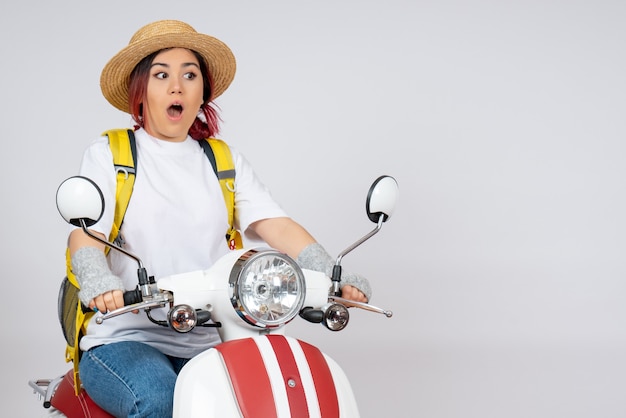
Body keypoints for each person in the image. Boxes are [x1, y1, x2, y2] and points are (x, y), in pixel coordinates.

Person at [68, 19, 372, 417]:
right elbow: (85, 234)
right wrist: (98, 279)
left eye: (189, 75)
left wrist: (330, 271)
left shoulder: (221, 160)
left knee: (269, 395)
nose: (176, 86)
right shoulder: (112, 154)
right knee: (161, 401)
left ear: (202, 92)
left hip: (212, 334)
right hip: (126, 338)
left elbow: (275, 225)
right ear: (140, 91)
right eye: (161, 75)